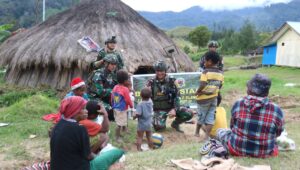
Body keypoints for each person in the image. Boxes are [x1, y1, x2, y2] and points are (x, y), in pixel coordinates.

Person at [216, 74, 284, 158]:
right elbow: (278, 133)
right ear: (267, 92)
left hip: (237, 150)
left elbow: (232, 127)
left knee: (220, 131)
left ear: (249, 90)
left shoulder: (239, 104)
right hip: (265, 153)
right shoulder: (277, 110)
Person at [146, 60, 193, 133]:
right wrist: (151, 112)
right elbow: (147, 97)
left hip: (171, 108)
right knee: (159, 128)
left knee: (189, 113)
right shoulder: (151, 82)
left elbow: (177, 96)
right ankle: (156, 121)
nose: (159, 73)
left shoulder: (172, 81)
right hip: (158, 110)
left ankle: (175, 124)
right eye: (157, 71)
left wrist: (174, 109)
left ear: (165, 71)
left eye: (161, 71)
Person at [50, 96, 93, 170]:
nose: (87, 111)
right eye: (83, 108)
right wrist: (98, 156)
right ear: (75, 111)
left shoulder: (58, 124)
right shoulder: (80, 129)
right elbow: (88, 156)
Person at [195, 51, 224, 139]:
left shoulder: (205, 72)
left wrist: (198, 91)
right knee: (211, 117)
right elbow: (221, 85)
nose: (204, 63)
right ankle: (207, 136)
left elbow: (203, 84)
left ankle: (196, 132)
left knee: (201, 115)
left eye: (205, 61)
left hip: (203, 99)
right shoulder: (221, 73)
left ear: (210, 61)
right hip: (214, 98)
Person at [87, 54, 118, 121]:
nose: (114, 66)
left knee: (118, 108)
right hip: (94, 99)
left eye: (115, 64)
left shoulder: (113, 75)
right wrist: (112, 91)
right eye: (112, 64)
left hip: (106, 99)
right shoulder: (99, 74)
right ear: (106, 64)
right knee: (110, 111)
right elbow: (100, 92)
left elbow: (117, 87)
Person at [111, 70, 133, 142]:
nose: (128, 81)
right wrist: (131, 105)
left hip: (116, 107)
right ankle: (117, 137)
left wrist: (112, 104)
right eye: (128, 79)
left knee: (122, 120)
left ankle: (125, 129)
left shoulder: (115, 87)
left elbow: (112, 96)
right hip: (121, 109)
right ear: (125, 81)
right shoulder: (125, 89)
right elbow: (127, 99)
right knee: (119, 124)